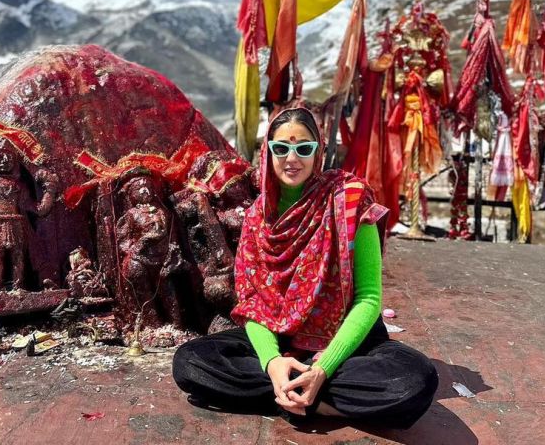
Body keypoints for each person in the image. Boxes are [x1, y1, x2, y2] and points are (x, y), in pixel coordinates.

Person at [173, 107, 438, 428]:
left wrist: (323, 368)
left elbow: (368, 299)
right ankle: (304, 394)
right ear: (268, 152)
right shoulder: (258, 218)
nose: (292, 158)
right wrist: (272, 363)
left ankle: (296, 396)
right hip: (283, 340)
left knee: (416, 379)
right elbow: (254, 307)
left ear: (318, 152)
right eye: (281, 148)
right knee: (190, 362)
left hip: (347, 343)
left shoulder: (350, 201)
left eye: (303, 148)